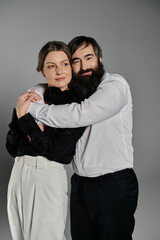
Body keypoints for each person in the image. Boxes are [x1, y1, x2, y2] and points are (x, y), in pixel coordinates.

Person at [21, 36, 139, 240]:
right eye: (76, 61)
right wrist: (34, 94)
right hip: (80, 185)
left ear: (100, 59)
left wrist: (31, 108)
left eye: (89, 57)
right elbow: (45, 86)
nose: (84, 66)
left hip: (113, 184)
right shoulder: (79, 90)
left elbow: (81, 114)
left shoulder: (115, 85)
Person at [6, 41, 96, 240]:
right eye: (51, 66)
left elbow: (56, 151)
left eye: (64, 64)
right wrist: (23, 115)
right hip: (19, 172)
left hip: (47, 176)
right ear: (42, 71)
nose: (59, 71)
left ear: (71, 68)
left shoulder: (77, 105)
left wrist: (24, 118)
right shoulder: (33, 96)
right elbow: (12, 147)